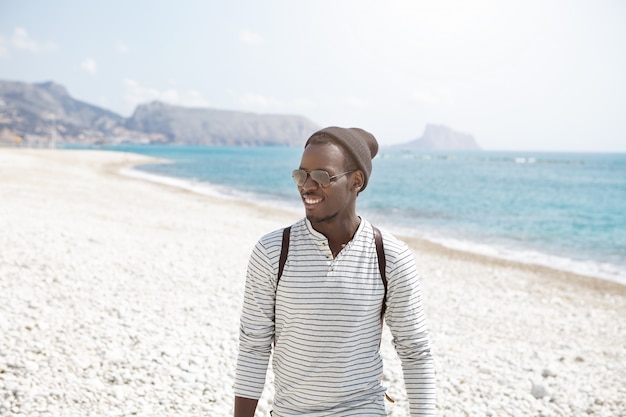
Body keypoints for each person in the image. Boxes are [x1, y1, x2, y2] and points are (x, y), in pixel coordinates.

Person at [234, 126, 435, 416]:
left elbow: (415, 351)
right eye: (301, 175)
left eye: (321, 176)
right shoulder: (273, 251)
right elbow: (253, 346)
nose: (307, 186)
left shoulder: (390, 256)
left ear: (356, 181)